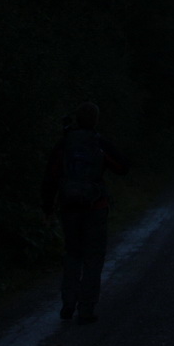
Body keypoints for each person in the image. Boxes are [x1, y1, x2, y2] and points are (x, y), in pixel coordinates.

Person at [42, 101, 129, 324]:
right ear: (96, 120)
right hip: (95, 207)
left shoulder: (65, 143)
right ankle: (86, 308)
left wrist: (47, 208)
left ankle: (68, 304)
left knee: (72, 255)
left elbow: (51, 177)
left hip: (68, 207)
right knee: (93, 258)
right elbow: (122, 168)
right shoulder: (99, 142)